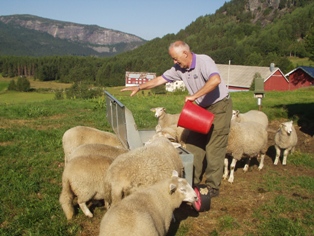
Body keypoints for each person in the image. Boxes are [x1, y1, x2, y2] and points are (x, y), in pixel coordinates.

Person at [121, 40, 232, 197]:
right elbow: (160, 79)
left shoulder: (204, 61)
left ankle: (212, 187)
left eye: (175, 58)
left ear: (185, 54)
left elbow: (215, 80)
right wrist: (139, 87)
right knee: (194, 144)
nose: (174, 62)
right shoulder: (180, 68)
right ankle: (191, 180)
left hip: (219, 106)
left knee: (214, 147)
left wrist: (194, 96)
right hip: (200, 108)